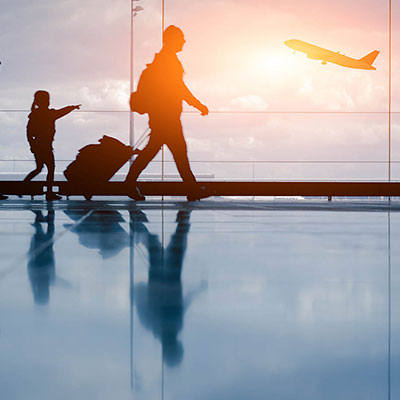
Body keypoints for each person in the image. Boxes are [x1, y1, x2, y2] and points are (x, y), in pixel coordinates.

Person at [126, 25, 209, 201]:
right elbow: (179, 88)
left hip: (161, 116)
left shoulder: (163, 60)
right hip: (167, 117)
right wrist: (198, 104)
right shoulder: (169, 61)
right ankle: (191, 189)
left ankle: (191, 188)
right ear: (172, 40)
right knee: (177, 151)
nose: (184, 41)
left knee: (161, 151)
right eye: (181, 38)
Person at [23, 90, 81, 200]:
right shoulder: (48, 114)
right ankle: (48, 192)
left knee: (40, 168)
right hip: (45, 146)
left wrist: (32, 145)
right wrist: (72, 107)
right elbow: (62, 112)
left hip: (38, 146)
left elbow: (29, 132)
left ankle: (23, 186)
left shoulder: (35, 115)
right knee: (50, 168)